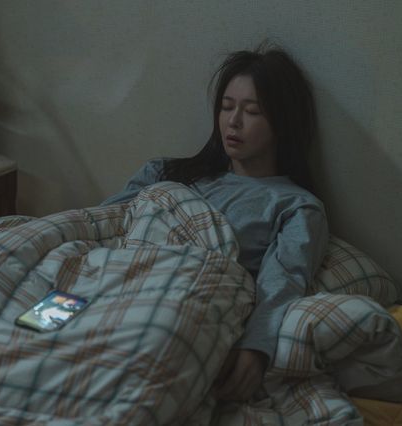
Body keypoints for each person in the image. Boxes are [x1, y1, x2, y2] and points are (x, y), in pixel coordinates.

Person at [100, 43, 329, 402]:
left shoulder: (295, 206)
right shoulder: (164, 172)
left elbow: (282, 281)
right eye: (226, 107)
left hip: (173, 307)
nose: (233, 121)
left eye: (252, 111)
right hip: (108, 286)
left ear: (282, 122)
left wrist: (257, 348)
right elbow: (102, 223)